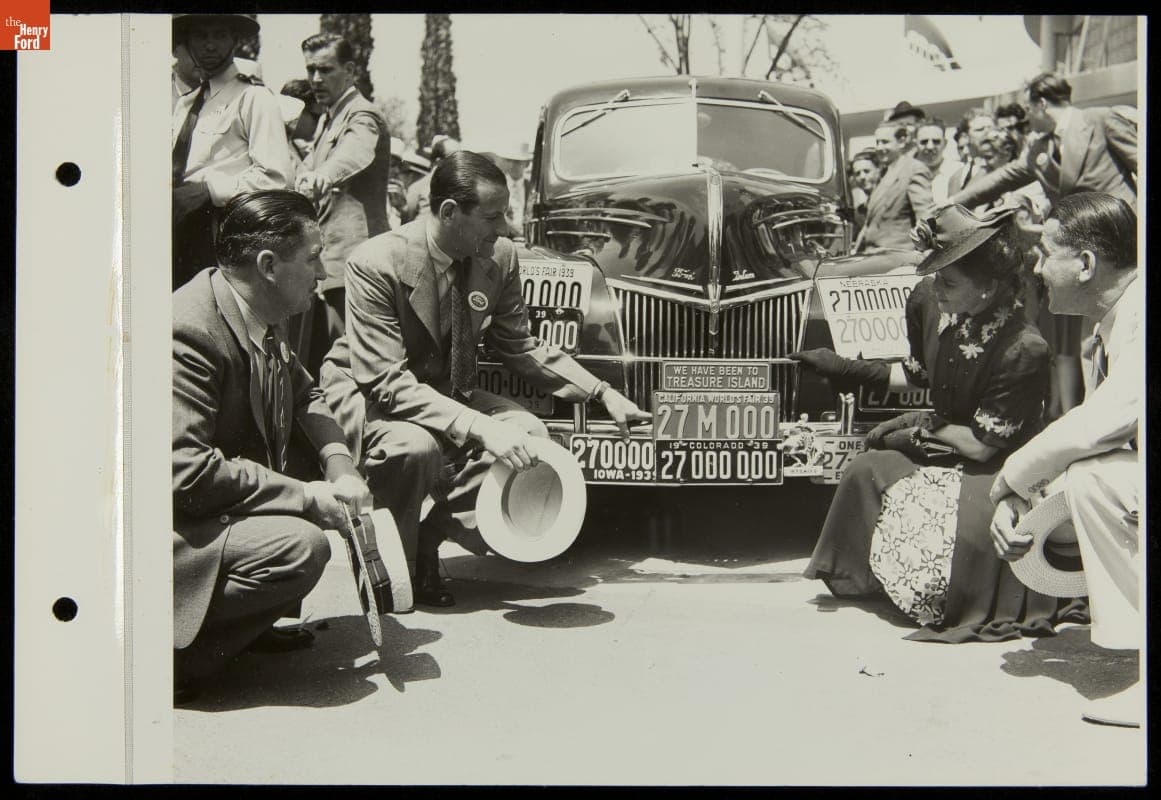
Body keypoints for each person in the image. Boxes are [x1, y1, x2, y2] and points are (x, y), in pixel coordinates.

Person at [318, 151, 650, 606]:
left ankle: (425, 541)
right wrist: (479, 426)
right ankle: (387, 559)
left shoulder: (499, 256)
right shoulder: (375, 262)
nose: (506, 228)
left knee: (529, 436)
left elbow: (521, 346)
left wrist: (602, 392)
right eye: (493, 216)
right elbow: (385, 381)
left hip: (441, 389)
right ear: (450, 213)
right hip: (370, 390)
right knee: (415, 447)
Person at [795, 204, 1087, 642]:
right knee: (864, 470)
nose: (937, 288)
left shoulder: (1023, 348)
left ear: (987, 289)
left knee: (953, 526)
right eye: (935, 277)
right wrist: (845, 368)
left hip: (998, 463)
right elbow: (916, 374)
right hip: (945, 443)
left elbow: (983, 446)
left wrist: (920, 428)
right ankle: (876, 579)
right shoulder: (928, 300)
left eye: (949, 281)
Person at [172, 190, 372, 703]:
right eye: (312, 258)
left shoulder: (256, 307)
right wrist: (306, 496)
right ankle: (175, 660)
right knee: (301, 546)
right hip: (167, 528)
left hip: (208, 506)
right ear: (268, 265)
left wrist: (340, 468)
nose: (324, 272)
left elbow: (305, 393)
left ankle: (244, 629)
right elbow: (183, 471)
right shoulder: (187, 330)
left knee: (307, 504)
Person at [990, 193, 1141, 726]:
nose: (1036, 267)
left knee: (1096, 478)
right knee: (1089, 477)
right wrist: (1026, 498)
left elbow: (1107, 424)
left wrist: (1010, 478)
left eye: (1045, 252)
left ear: (1085, 264)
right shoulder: (1108, 322)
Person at [292, 33, 393, 377]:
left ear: (349, 71)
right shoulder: (328, 118)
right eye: (310, 70)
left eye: (326, 69)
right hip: (328, 262)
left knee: (349, 366)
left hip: (353, 261)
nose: (316, 79)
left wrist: (323, 176)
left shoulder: (362, 114)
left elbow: (356, 152)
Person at [171, 13, 293, 290]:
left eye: (219, 35)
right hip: (179, 233)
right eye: (201, 37)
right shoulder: (186, 104)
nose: (210, 46)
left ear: (235, 40)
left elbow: (278, 180)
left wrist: (207, 191)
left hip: (222, 233)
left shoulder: (254, 99)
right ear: (187, 42)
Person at [948, 72, 1137, 210]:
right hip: (1086, 236)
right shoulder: (1040, 148)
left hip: (1125, 226)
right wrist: (953, 203)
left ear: (1042, 105)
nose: (1026, 117)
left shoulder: (1100, 119)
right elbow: (1004, 178)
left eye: (1028, 109)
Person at [856, 122, 934, 251]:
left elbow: (924, 216)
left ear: (902, 142)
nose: (880, 148)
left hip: (897, 258)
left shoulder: (914, 169)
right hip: (873, 257)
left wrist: (925, 251)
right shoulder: (883, 174)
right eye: (877, 142)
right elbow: (869, 224)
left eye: (885, 142)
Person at [481, 142, 535, 238]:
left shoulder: (532, 187)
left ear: (526, 164)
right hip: (503, 239)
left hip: (527, 241)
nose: (513, 165)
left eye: (517, 162)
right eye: (510, 161)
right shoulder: (497, 186)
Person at [404, 135, 461, 223]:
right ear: (439, 161)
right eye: (454, 158)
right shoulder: (418, 188)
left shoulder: (461, 188)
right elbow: (406, 221)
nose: (460, 163)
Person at [946, 108, 996, 203]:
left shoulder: (1006, 167)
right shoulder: (956, 178)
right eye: (980, 130)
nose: (988, 133)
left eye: (991, 129)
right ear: (966, 137)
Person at [913, 119, 958, 205]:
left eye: (936, 141)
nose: (930, 147)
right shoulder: (908, 174)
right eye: (924, 142)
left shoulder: (958, 171)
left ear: (945, 143)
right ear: (915, 144)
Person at [848, 149, 882, 233]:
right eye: (857, 173)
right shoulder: (859, 213)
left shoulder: (893, 203)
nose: (862, 177)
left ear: (879, 171)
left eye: (866, 171)